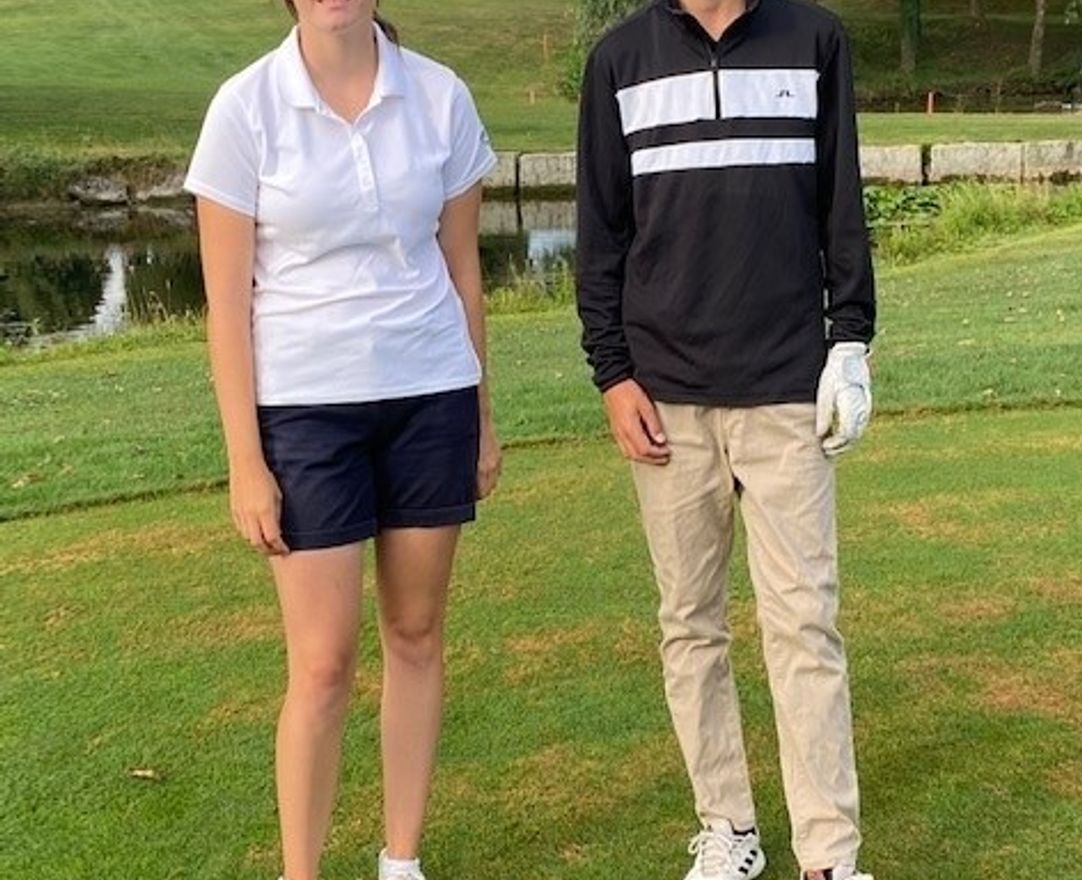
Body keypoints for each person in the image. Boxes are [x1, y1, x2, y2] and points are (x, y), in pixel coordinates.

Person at [183, 2, 501, 878]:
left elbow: (463, 270)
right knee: (322, 665)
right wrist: (245, 462)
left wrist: (481, 415)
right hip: (303, 412)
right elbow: (227, 310)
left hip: (430, 395)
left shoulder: (440, 96)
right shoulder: (245, 108)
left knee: (416, 633)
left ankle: (402, 859)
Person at [575, 0, 876, 878]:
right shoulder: (620, 59)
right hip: (666, 397)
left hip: (786, 386)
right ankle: (729, 829)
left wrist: (850, 341)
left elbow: (841, 205)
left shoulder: (813, 39)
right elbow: (601, 234)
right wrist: (612, 374)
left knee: (805, 624)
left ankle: (828, 855)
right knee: (690, 625)